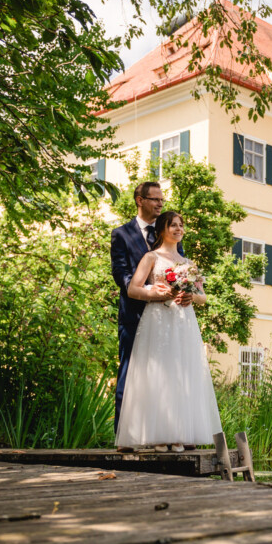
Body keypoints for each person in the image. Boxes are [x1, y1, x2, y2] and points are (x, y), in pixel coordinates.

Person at [115, 211, 223, 451]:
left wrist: (191, 296)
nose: (178, 229)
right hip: (157, 319)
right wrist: (156, 292)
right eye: (173, 225)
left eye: (181, 225)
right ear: (162, 229)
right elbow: (133, 289)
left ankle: (178, 434)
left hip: (183, 321)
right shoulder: (151, 257)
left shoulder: (188, 264)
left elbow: (204, 297)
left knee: (181, 373)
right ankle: (158, 436)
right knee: (158, 374)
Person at [111, 181, 168, 432]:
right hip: (133, 314)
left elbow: (177, 269)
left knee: (163, 376)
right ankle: (123, 436)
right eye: (155, 199)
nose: (160, 204)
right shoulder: (121, 234)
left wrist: (182, 291)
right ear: (139, 200)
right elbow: (120, 273)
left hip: (165, 317)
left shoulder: (167, 232)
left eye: (162, 200)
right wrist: (146, 291)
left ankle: (156, 433)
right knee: (129, 373)